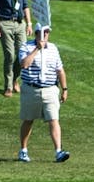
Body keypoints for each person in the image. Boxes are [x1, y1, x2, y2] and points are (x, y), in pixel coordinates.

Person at [16, 25, 71, 163]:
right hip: (31, 89)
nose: (46, 35)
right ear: (36, 34)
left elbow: (60, 70)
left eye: (47, 33)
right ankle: (23, 150)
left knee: (54, 119)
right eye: (43, 33)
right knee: (28, 120)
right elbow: (24, 64)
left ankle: (58, 151)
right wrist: (37, 49)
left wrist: (64, 89)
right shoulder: (26, 46)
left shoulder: (53, 48)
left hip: (50, 89)